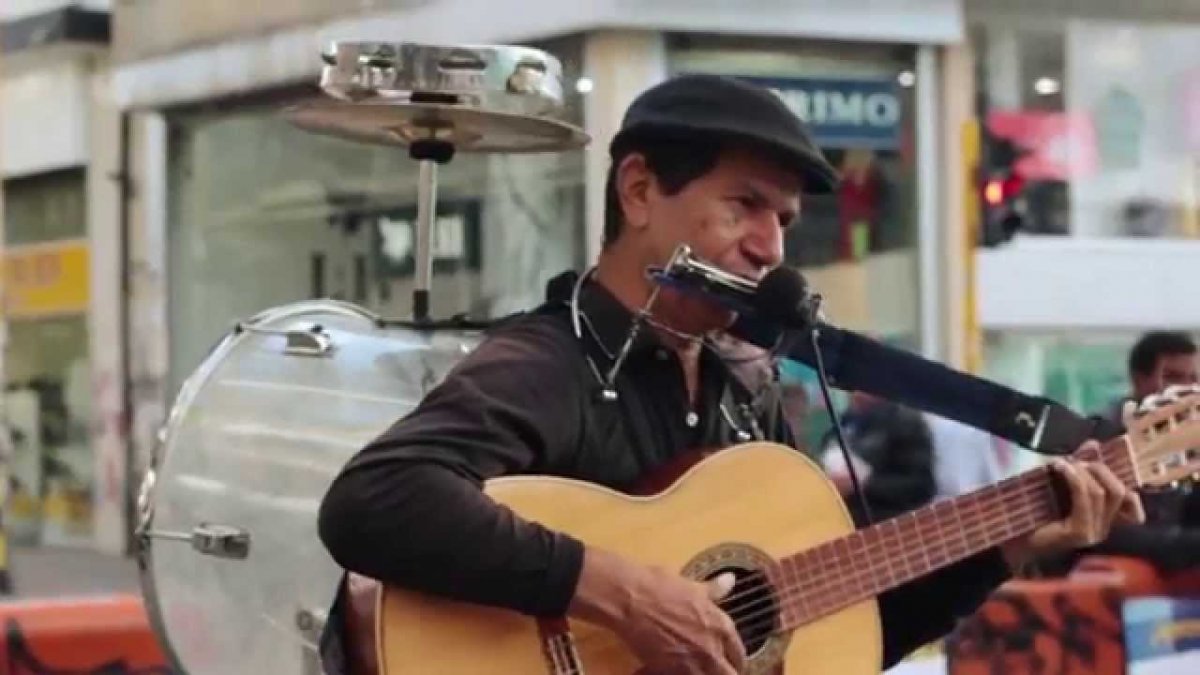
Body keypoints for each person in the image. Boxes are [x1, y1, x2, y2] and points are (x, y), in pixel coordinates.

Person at [316, 73, 1144, 675]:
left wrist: (1003, 543)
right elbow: (372, 500)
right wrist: (621, 594)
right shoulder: (551, 360)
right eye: (743, 205)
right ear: (640, 191)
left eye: (783, 219)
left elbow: (826, 638)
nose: (770, 247)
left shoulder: (748, 387)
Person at [818, 390, 936, 523]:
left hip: (890, 524)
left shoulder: (905, 422)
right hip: (846, 523)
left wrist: (864, 483)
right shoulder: (841, 424)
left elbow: (921, 487)